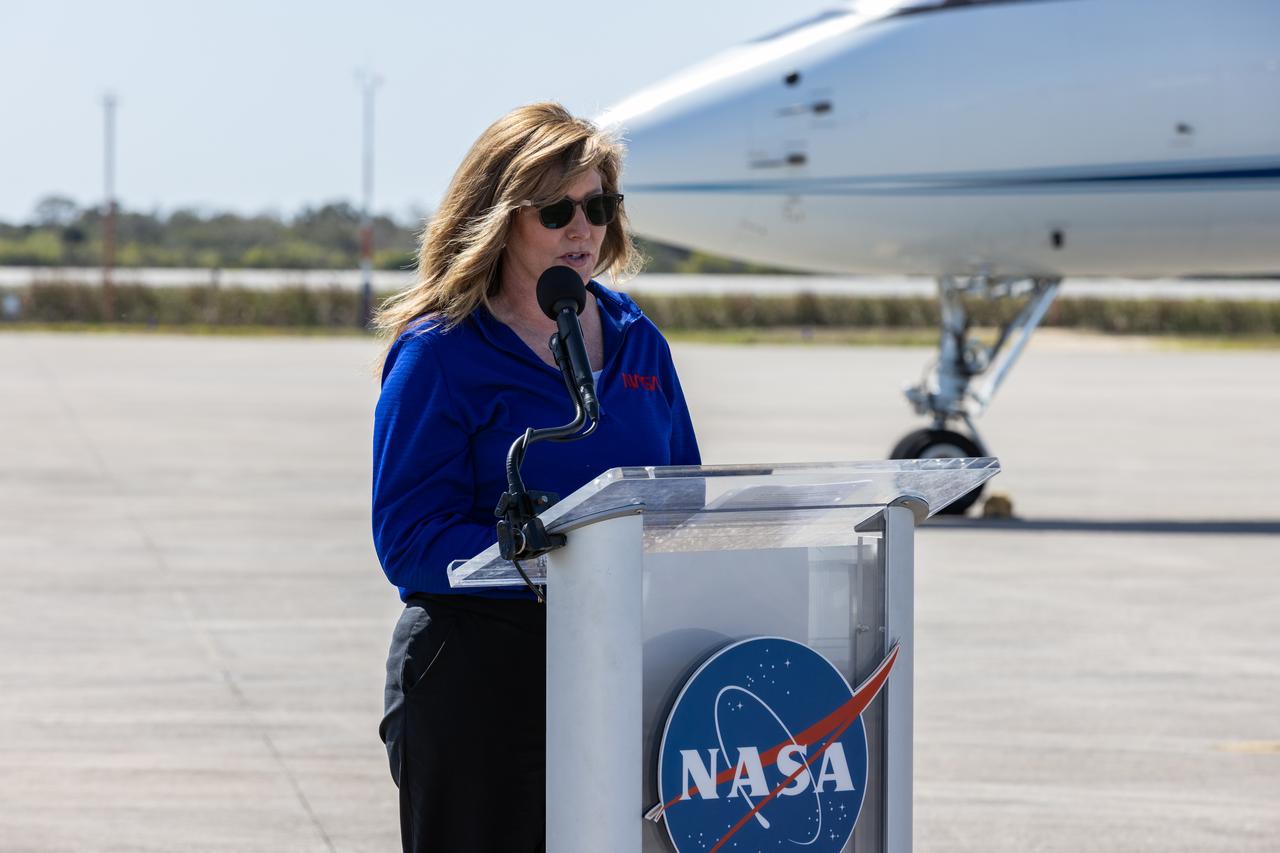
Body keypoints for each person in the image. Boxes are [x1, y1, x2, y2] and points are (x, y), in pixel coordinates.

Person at [371, 102, 701, 852]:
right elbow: (408, 537)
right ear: (501, 218)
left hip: (618, 668)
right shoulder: (442, 351)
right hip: (479, 675)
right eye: (556, 210)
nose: (582, 229)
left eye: (598, 205)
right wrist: (546, 554)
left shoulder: (636, 338)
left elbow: (685, 496)